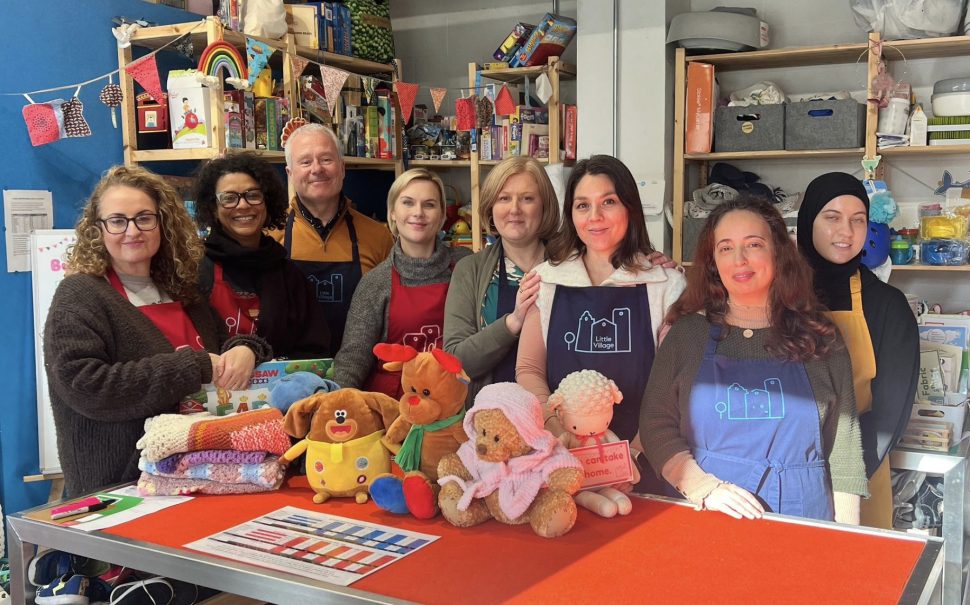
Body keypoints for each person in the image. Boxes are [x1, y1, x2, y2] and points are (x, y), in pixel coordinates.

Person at [44, 166, 272, 497]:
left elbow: (223, 344)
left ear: (162, 224)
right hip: (121, 487)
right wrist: (191, 368)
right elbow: (85, 385)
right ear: (98, 230)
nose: (132, 231)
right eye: (117, 221)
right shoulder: (80, 295)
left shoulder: (180, 289)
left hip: (201, 473)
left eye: (144, 218)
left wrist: (246, 349)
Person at [640, 195, 868, 523]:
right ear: (713, 262)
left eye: (754, 244)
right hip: (706, 516)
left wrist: (849, 540)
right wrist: (702, 486)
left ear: (778, 251)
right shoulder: (687, 335)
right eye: (726, 248)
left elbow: (844, 452)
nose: (740, 259)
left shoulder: (820, 337)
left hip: (804, 521)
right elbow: (655, 422)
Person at [516, 155, 686, 476]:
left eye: (608, 201)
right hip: (558, 457)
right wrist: (557, 434)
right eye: (582, 205)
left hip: (645, 457)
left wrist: (633, 454)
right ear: (571, 214)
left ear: (630, 208)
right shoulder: (547, 280)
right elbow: (528, 369)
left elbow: (673, 384)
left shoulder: (666, 283)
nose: (594, 217)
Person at [798, 172, 918, 529]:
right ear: (808, 222)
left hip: (860, 474)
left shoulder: (887, 305)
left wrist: (842, 482)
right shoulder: (779, 299)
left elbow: (889, 416)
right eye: (832, 218)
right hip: (786, 474)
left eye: (858, 220)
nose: (846, 232)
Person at [334, 168, 471, 396]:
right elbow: (353, 359)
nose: (418, 213)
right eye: (408, 203)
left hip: (454, 403)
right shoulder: (375, 283)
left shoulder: (466, 266)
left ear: (442, 216)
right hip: (395, 406)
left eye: (429, 205)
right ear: (393, 213)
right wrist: (338, 404)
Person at [443, 157, 560, 407]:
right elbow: (455, 361)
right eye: (504, 198)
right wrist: (512, 322)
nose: (514, 209)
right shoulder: (470, 271)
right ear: (490, 208)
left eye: (527, 198)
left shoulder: (569, 266)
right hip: (491, 422)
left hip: (561, 419)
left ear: (545, 206)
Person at [194, 152, 331, 358]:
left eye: (253, 195)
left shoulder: (289, 276)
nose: (243, 205)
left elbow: (315, 351)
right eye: (229, 198)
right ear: (213, 208)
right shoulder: (195, 270)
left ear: (267, 203)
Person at [274, 123, 394, 349]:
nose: (317, 169)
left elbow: (393, 314)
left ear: (342, 167)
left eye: (326, 159)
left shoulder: (379, 236)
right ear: (290, 173)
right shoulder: (270, 236)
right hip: (288, 374)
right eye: (305, 162)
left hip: (361, 374)